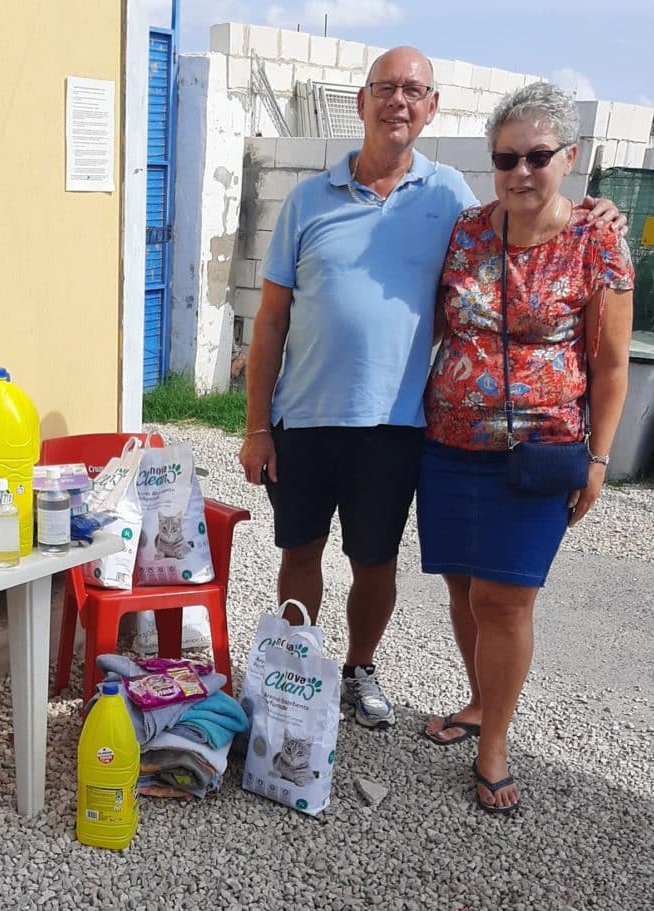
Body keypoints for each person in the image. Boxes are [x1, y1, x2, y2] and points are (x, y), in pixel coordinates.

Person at [238, 46, 622, 731]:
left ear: (433, 108)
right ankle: (297, 671)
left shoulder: (449, 196)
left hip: (396, 424)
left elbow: (524, 226)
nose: (399, 100)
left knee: (374, 561)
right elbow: (269, 321)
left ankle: (358, 668)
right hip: (303, 417)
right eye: (385, 87)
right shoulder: (306, 199)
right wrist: (257, 425)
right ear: (361, 102)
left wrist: (597, 213)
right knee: (299, 551)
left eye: (415, 89)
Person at [418, 82, 633, 813]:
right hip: (448, 445)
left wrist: (599, 458)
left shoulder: (598, 240)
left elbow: (609, 366)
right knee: (459, 586)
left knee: (505, 600)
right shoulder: (469, 230)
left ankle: (496, 740)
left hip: (540, 452)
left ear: (568, 158)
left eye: (537, 156)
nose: (521, 171)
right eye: (505, 157)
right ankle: (480, 698)